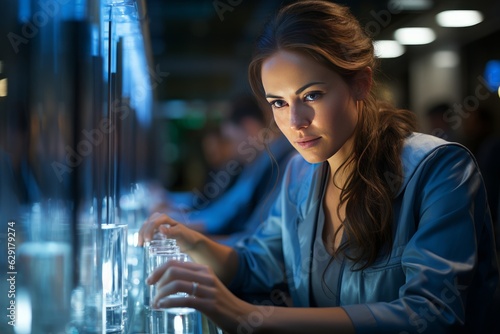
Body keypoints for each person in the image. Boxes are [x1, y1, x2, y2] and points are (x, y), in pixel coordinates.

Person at [139, 1, 499, 333]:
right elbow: (256, 265)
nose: (295, 121)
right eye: (278, 103)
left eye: (311, 95)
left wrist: (246, 317)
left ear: (361, 83)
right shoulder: (300, 173)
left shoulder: (440, 168)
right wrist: (189, 240)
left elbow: (430, 314)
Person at [162, 95, 296, 242]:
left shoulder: (275, 162)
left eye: (232, 139)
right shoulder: (261, 162)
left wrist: (183, 228)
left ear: (249, 127)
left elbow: (244, 229)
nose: (232, 149)